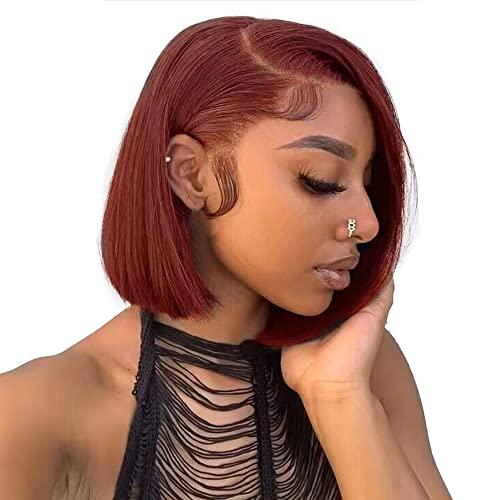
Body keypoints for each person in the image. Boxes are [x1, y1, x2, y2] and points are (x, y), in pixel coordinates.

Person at [0, 15, 452, 500]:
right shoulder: (32, 414)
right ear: (193, 176)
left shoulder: (365, 365)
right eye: (320, 180)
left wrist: (340, 397)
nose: (368, 223)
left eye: (368, 183)